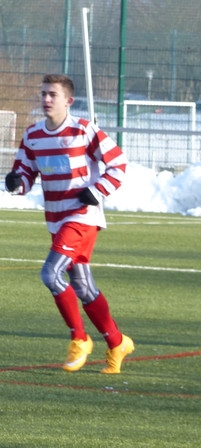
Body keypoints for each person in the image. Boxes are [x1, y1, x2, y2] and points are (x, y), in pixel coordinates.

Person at [6, 74, 134, 374]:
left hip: (82, 217)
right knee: (82, 286)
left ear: (68, 100)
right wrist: (16, 182)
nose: (46, 99)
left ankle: (80, 339)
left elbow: (118, 163)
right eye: (43, 94)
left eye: (53, 94)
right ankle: (117, 342)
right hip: (56, 219)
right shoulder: (33, 135)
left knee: (51, 274)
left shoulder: (83, 130)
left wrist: (97, 191)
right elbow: (24, 175)